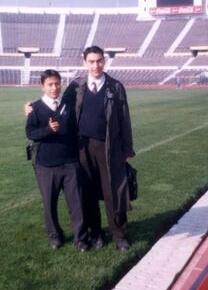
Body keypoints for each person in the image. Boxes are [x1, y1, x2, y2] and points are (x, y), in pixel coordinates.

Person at [25, 46, 135, 251]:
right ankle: (96, 233)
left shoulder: (115, 87)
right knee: (89, 194)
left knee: (114, 192)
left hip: (109, 147)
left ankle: (119, 235)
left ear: (104, 61)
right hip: (83, 148)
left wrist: (127, 150)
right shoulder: (76, 87)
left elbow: (125, 119)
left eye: (99, 61)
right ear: (84, 61)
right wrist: (32, 109)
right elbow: (56, 104)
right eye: (91, 61)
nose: (96, 65)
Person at [25, 69, 89, 252]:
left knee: (76, 204)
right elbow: (30, 133)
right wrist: (48, 129)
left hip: (70, 163)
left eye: (57, 83)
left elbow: (80, 84)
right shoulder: (35, 108)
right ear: (42, 86)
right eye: (50, 84)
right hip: (46, 165)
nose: (54, 88)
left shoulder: (68, 103)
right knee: (49, 205)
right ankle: (55, 237)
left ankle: (81, 239)